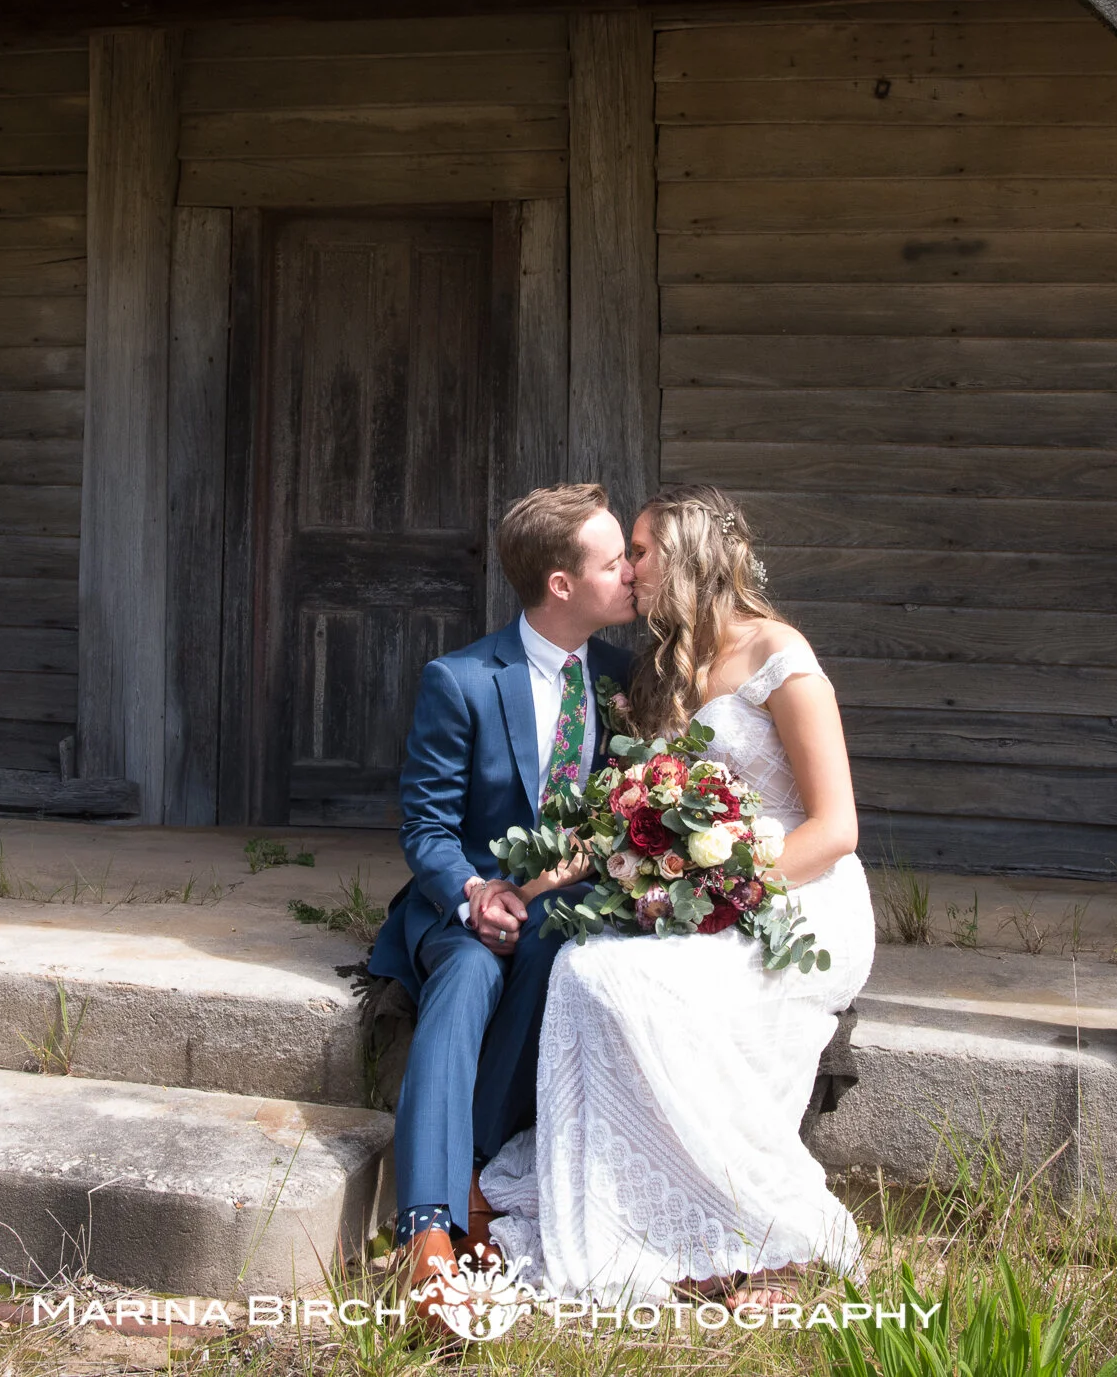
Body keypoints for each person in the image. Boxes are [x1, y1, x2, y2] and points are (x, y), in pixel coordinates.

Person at [477, 484, 875, 1310]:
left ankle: (768, 1233)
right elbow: (624, 812)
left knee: (620, 978)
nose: (629, 568)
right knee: (584, 968)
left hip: (796, 899)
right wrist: (533, 876)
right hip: (698, 896)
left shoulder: (781, 656)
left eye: (641, 551)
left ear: (688, 556)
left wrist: (725, 890)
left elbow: (835, 828)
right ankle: (648, 1212)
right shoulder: (660, 675)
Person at [363, 482, 638, 1327]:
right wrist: (474, 893)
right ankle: (429, 1238)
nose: (633, 571)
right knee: (468, 981)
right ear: (562, 584)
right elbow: (427, 824)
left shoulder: (625, 680)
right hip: (466, 904)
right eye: (614, 558)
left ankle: (479, 1174)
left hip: (567, 906)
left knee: (558, 943)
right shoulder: (463, 680)